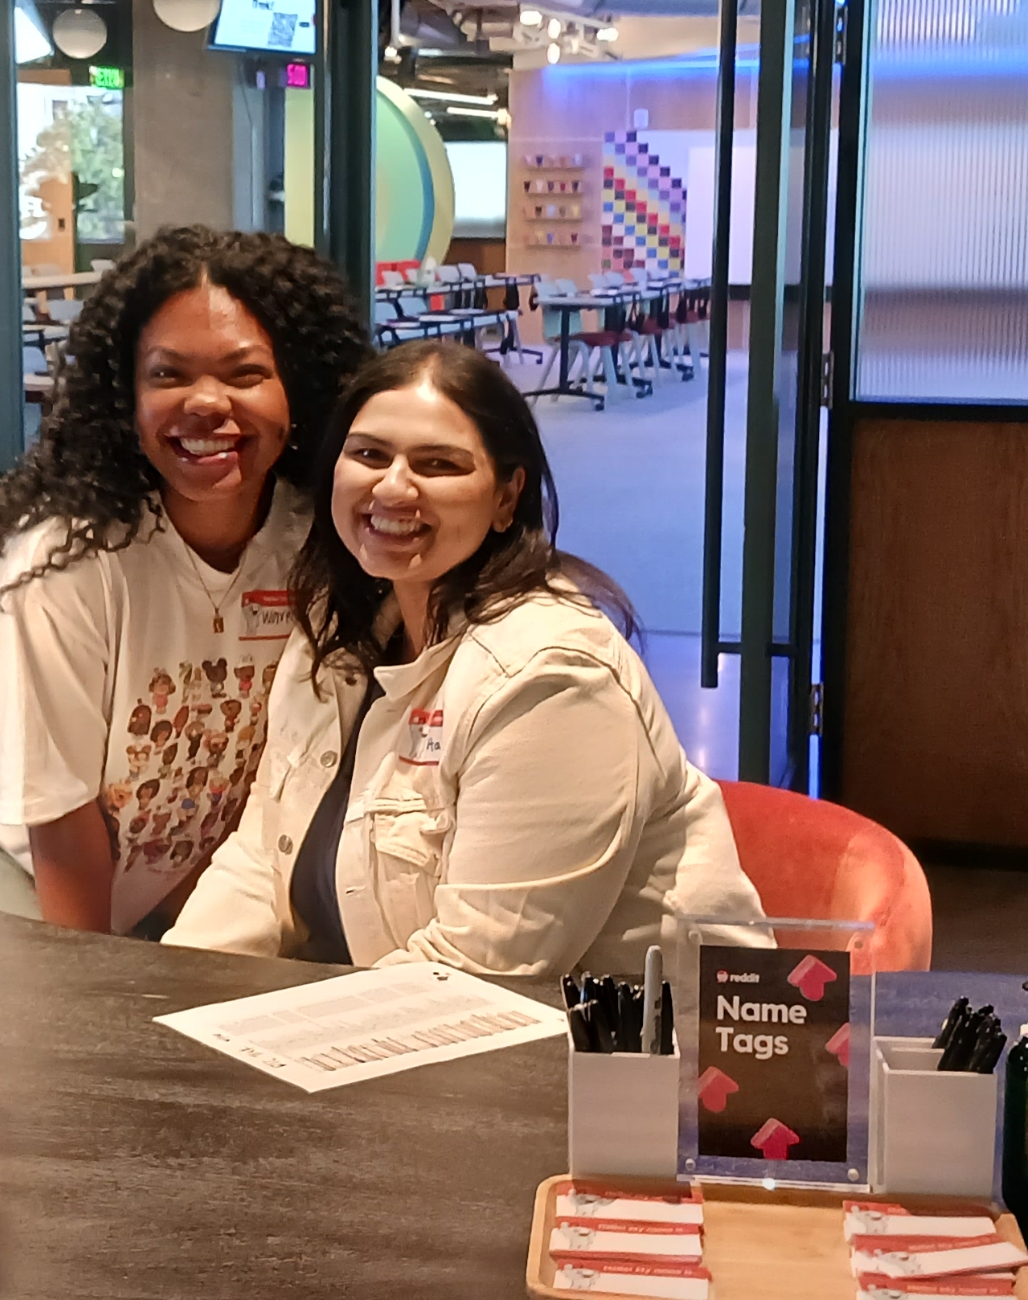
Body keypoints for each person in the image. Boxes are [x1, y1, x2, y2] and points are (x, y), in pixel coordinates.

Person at [164, 340, 765, 974]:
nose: (393, 486)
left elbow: (474, 969)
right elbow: (262, 857)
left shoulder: (551, 679)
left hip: (624, 1034)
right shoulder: (335, 627)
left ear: (506, 497)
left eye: (438, 464)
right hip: (390, 1010)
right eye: (369, 454)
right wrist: (162, 994)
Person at [0, 227, 374, 935]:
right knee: (40, 1004)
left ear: (298, 389)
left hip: (143, 857)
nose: (206, 402)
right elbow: (63, 831)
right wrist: (95, 984)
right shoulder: (64, 567)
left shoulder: (317, 540)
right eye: (168, 375)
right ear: (127, 397)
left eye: (245, 374)